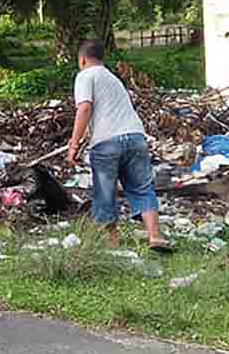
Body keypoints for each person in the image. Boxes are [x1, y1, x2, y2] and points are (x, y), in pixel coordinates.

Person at [66, 40, 171, 250]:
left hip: (107, 144)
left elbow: (85, 108)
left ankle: (111, 241)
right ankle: (155, 236)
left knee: (105, 192)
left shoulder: (85, 75)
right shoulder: (112, 78)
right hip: (135, 137)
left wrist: (73, 145)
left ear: (83, 59)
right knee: (142, 188)